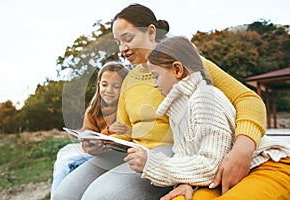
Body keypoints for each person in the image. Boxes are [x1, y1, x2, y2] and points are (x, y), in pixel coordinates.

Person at [53, 3, 268, 199]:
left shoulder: (183, 63)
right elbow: (126, 130)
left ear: (151, 32)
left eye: (128, 39)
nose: (122, 49)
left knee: (99, 196)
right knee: (67, 191)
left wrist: (242, 149)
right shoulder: (128, 79)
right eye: (118, 43)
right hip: (132, 150)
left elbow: (247, 98)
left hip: (167, 152)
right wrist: (101, 141)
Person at [126, 35, 289, 200]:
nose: (155, 84)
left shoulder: (205, 98)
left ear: (177, 69)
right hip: (217, 177)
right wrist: (184, 182)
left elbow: (211, 164)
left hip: (265, 164)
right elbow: (184, 155)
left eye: (156, 76)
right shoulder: (176, 110)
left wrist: (152, 164)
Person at [50, 61, 129, 199]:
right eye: (104, 85)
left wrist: (107, 133)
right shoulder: (92, 111)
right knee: (63, 160)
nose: (109, 90)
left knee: (66, 163)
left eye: (116, 86)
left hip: (117, 157)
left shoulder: (125, 108)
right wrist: (95, 140)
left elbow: (124, 136)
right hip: (97, 154)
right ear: (98, 85)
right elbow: (87, 142)